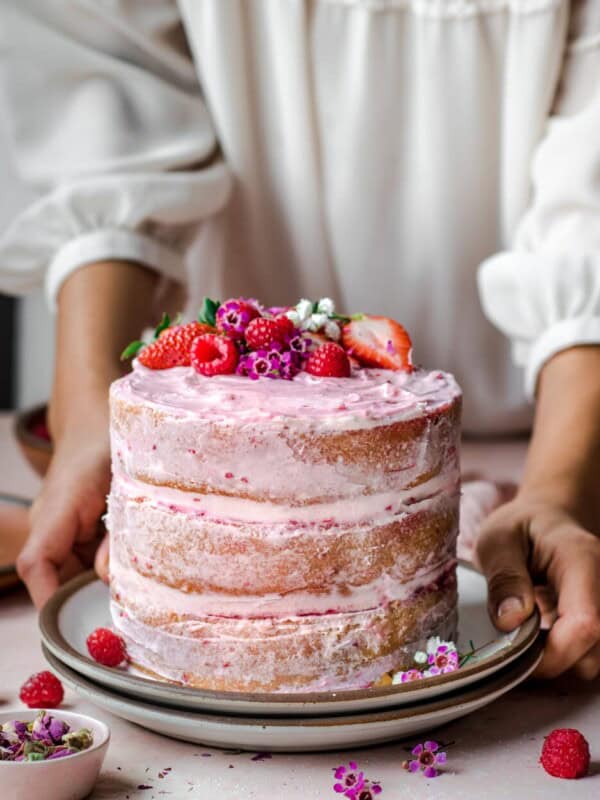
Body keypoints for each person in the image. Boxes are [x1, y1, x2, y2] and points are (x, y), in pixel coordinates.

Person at [0, 0, 599, 680]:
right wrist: (88, 416)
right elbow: (102, 97)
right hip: (204, 405)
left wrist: (560, 486)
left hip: (540, 430)